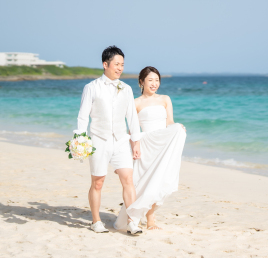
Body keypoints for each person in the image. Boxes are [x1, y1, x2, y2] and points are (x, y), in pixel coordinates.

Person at [74, 46, 142, 234]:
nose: (120, 68)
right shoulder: (91, 87)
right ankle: (96, 221)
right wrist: (80, 140)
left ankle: (132, 222)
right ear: (105, 64)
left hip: (121, 140)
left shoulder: (126, 89)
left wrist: (135, 142)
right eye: (117, 64)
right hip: (99, 140)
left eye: (122, 65)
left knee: (128, 179)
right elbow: (82, 116)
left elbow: (132, 117)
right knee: (98, 182)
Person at [115, 66, 186, 231]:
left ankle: (150, 219)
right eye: (150, 80)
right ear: (141, 82)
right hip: (145, 145)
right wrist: (132, 148)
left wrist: (177, 127)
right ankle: (135, 216)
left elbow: (169, 122)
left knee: (158, 180)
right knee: (143, 182)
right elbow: (132, 130)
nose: (154, 84)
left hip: (161, 144)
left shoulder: (165, 99)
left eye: (157, 80)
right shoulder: (135, 103)